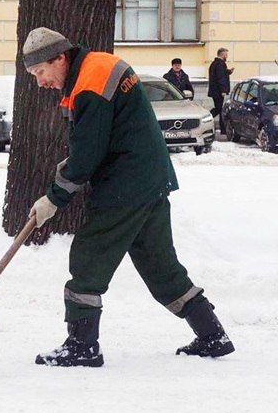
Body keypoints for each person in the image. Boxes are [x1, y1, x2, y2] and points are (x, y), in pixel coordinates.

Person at [21, 27, 235, 367]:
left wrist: (53, 199)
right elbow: (100, 139)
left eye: (40, 72)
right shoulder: (98, 66)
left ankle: (82, 346)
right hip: (149, 179)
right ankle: (212, 335)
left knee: (89, 258)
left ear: (59, 58)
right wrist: (71, 169)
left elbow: (88, 154)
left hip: (125, 185)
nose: (40, 82)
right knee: (160, 266)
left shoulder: (90, 84)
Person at [208, 48, 234, 132]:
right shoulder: (220, 64)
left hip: (215, 91)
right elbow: (220, 78)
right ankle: (205, 118)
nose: (227, 56)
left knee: (219, 109)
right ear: (222, 55)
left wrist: (228, 72)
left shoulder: (215, 63)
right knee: (219, 109)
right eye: (226, 55)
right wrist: (223, 90)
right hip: (218, 91)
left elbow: (221, 74)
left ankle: (223, 129)